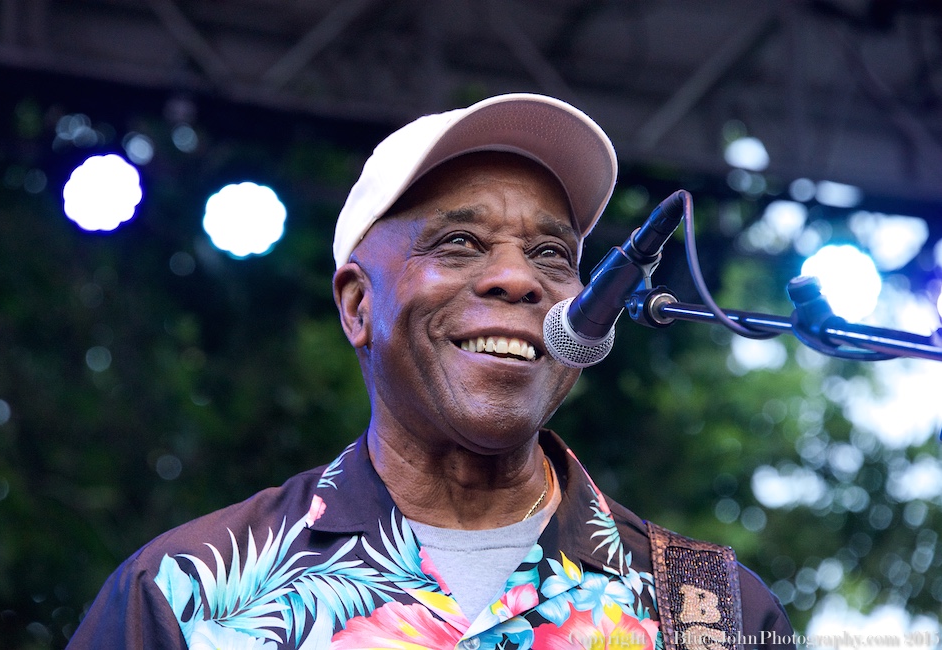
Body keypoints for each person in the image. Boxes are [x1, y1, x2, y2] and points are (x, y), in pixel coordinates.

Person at [68, 93, 794, 649]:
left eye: (551, 255)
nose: (516, 279)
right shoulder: (182, 592)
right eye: (457, 242)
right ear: (357, 307)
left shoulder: (714, 609)